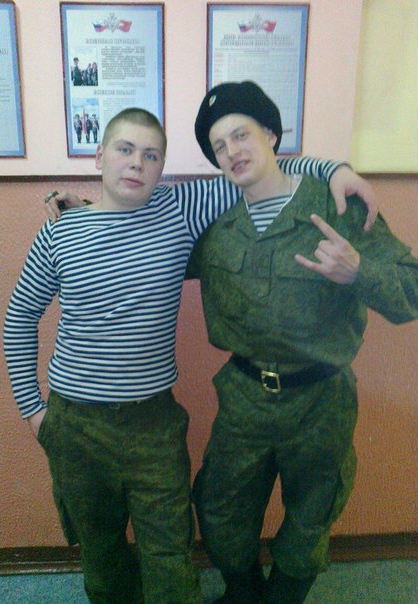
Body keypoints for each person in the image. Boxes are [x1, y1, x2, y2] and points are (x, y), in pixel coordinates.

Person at [34, 109, 374, 604]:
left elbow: (263, 171)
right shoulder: (62, 231)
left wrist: (333, 168)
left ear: (163, 167)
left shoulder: (180, 207)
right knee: (101, 551)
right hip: (74, 420)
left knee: (171, 553)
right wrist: (34, 411)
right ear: (100, 156)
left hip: (153, 419)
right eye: (125, 150)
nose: (137, 163)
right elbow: (18, 319)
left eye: (151, 155)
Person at [187, 81, 418, 604]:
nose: (232, 151)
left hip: (320, 400)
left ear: (271, 134)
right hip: (244, 397)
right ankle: (243, 593)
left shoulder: (335, 205)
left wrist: (359, 272)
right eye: (219, 146)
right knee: (220, 508)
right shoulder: (214, 223)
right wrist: (86, 213)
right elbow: (141, 235)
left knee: (311, 516)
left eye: (241, 134)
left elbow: (411, 288)